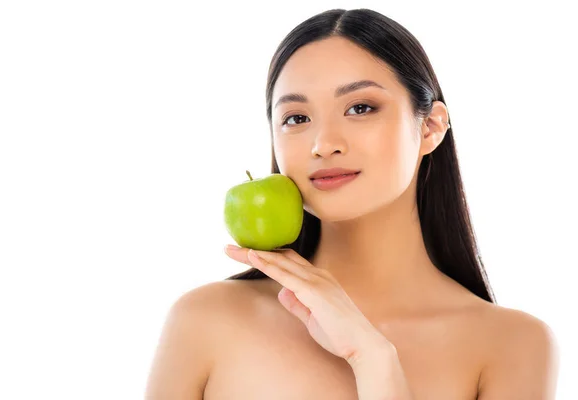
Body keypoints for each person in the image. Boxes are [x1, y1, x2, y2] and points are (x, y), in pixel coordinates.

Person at [145, 8, 559, 399]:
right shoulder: (205, 320)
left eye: (360, 108)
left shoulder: (512, 345)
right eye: (296, 118)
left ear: (430, 127)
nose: (324, 145)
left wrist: (375, 361)